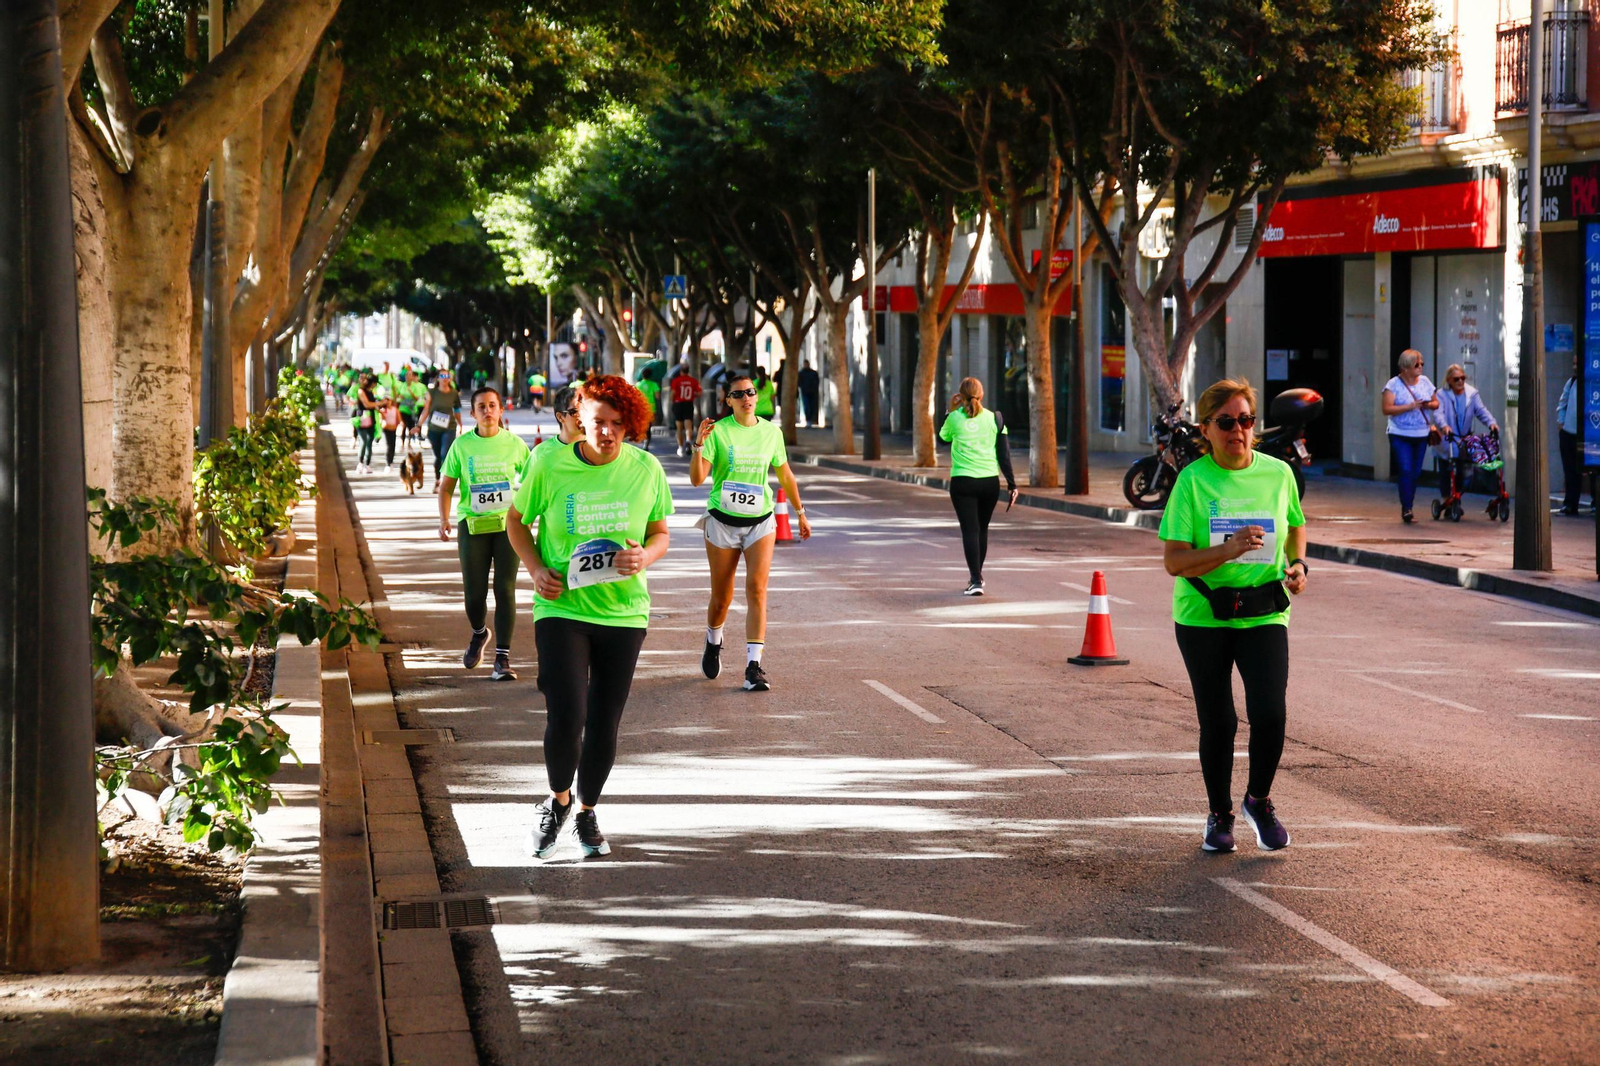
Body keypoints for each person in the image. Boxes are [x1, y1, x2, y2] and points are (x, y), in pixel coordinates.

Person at [506, 375, 673, 858]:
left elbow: (660, 533)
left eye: (618, 424)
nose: (608, 433)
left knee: (604, 721)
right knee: (567, 714)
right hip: (561, 606)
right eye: (599, 422)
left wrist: (646, 557)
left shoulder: (645, 469)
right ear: (580, 416)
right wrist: (536, 569)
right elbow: (517, 521)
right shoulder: (548, 463)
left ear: (631, 426)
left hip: (623, 613)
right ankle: (558, 798)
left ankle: (586, 812)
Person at [1158, 378, 1307, 854]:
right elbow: (1175, 562)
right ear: (1207, 428)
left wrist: (1299, 565)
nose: (1238, 430)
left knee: (1270, 712)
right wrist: (1228, 549)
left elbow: (1296, 528)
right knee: (1219, 721)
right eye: (1226, 422)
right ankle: (1219, 815)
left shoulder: (1278, 474)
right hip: (1203, 615)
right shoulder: (1193, 481)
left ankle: (1258, 801)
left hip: (1264, 611)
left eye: (1246, 420)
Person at [689, 374, 812, 692]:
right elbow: (697, 479)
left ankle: (753, 667)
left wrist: (800, 513)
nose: (746, 397)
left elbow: (784, 473)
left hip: (760, 521)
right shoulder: (718, 431)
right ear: (727, 400)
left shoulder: (771, 432)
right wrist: (699, 444)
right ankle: (713, 640)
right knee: (722, 598)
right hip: (722, 522)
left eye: (751, 392)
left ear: (757, 397)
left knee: (757, 590)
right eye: (738, 394)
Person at [438, 387, 532, 682]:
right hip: (473, 526)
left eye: (493, 405)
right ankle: (479, 633)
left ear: (501, 410)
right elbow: (446, 486)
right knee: (474, 594)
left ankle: (502, 659)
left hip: (509, 527)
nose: (488, 411)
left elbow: (532, 486)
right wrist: (443, 519)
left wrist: (531, 516)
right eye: (482, 406)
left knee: (504, 589)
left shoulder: (515, 445)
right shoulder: (462, 446)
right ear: (473, 413)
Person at [939, 378, 1017, 596]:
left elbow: (942, 439)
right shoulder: (995, 419)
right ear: (981, 395)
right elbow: (1004, 455)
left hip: (962, 482)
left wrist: (949, 410)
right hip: (989, 483)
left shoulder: (954, 418)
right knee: (982, 529)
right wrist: (1012, 484)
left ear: (961, 396)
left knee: (970, 530)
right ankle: (977, 577)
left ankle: (975, 579)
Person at [1380, 349, 1442, 523]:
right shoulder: (1393, 385)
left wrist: (1428, 404)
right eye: (1416, 364)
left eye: (1422, 363)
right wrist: (1409, 406)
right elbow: (1386, 409)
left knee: (1415, 472)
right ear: (1406, 367)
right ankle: (1407, 508)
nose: (1420, 367)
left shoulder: (1425, 382)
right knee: (1406, 469)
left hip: (1421, 433)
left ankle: (1409, 502)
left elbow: (1436, 402)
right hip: (1399, 433)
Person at [1435, 363, 1499, 499]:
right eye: (1456, 379)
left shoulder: (1471, 394)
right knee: (1446, 470)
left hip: (1463, 439)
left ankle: (1456, 497)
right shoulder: (1441, 395)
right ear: (1449, 381)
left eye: (1463, 378)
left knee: (1462, 470)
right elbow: (1438, 414)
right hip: (1448, 438)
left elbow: (1481, 410)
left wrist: (1491, 422)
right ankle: (1446, 498)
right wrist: (1444, 426)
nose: (1460, 382)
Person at [421, 368, 462, 487]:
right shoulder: (432, 392)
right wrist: (419, 425)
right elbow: (426, 410)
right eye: (442, 377)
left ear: (450, 379)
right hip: (434, 429)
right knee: (438, 455)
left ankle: (445, 481)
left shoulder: (454, 393)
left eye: (447, 377)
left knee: (445, 453)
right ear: (438, 379)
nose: (445, 379)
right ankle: (438, 478)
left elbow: (457, 410)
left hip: (449, 428)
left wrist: (460, 424)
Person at [1556, 355, 1586, 515]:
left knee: (1587, 470)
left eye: (1578, 364)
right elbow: (1563, 402)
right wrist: (1561, 424)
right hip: (1568, 433)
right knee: (1570, 471)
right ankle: (1570, 504)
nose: (1575, 367)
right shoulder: (1571, 382)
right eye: (1573, 364)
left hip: (1586, 434)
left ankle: (1594, 501)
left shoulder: (1592, 383)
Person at [669, 363, 702, 455]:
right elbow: (699, 393)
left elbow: (673, 394)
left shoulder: (676, 381)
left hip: (678, 404)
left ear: (680, 372)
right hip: (688, 403)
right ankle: (688, 441)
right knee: (688, 424)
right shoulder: (693, 381)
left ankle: (680, 448)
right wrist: (692, 395)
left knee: (679, 427)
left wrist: (672, 400)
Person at [354, 374, 380, 475]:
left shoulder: (371, 392)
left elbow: (372, 404)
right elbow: (367, 404)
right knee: (363, 441)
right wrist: (379, 403)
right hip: (362, 419)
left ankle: (367, 464)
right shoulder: (361, 391)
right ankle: (360, 463)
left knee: (369, 442)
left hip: (371, 419)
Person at [397, 367, 428, 441]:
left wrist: (411, 393)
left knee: (411, 425)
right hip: (403, 408)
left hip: (413, 408)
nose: (408, 377)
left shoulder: (416, 386)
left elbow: (418, 398)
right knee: (403, 425)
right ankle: (403, 443)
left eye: (410, 375)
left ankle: (411, 441)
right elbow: (398, 396)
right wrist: (400, 398)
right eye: (407, 375)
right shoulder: (402, 385)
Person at [636, 374, 661, 449]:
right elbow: (657, 396)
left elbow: (635, 395)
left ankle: (643, 438)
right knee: (649, 425)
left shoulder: (638, 384)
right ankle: (646, 441)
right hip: (650, 407)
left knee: (642, 424)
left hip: (640, 407)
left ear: (642, 376)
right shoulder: (654, 384)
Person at [379, 395, 402, 471]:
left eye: (389, 400)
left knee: (393, 446)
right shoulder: (382, 410)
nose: (388, 402)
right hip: (386, 430)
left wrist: (399, 426)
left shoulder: (395, 409)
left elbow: (399, 419)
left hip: (393, 429)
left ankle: (391, 461)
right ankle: (388, 462)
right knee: (388, 446)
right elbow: (381, 420)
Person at [799, 361, 820, 427]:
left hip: (811, 392)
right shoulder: (801, 373)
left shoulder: (812, 373)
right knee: (807, 407)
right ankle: (808, 420)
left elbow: (817, 381)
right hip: (805, 392)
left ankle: (810, 420)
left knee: (811, 406)